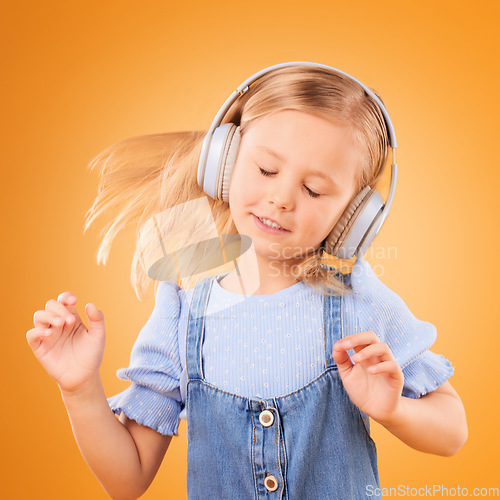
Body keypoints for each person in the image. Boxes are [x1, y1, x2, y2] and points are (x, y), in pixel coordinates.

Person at [27, 63, 467, 499]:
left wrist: (394, 410)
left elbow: (453, 431)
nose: (281, 198)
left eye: (313, 190)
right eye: (266, 170)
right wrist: (80, 388)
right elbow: (127, 480)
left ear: (354, 218)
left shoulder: (357, 300)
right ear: (225, 159)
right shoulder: (182, 307)